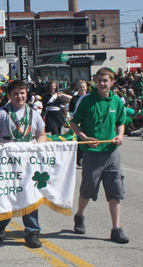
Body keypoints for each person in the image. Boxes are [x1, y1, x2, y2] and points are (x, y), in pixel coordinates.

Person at [0, 80, 47, 248]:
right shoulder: (2, 113)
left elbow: (42, 134)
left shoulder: (34, 114)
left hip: (28, 163)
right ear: (9, 96)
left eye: (22, 93)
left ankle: (32, 232)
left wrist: (38, 145)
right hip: (8, 164)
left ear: (27, 94)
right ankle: (1, 225)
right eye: (15, 94)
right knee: (6, 195)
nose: (19, 96)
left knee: (31, 196)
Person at [70, 67, 129, 244]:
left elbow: (121, 123)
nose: (102, 84)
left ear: (112, 82)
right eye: (99, 80)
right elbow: (74, 124)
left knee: (115, 191)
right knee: (87, 189)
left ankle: (116, 229)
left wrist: (119, 135)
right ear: (95, 81)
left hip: (111, 154)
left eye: (106, 80)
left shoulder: (117, 101)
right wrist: (85, 138)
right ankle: (80, 216)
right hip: (92, 154)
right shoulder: (86, 100)